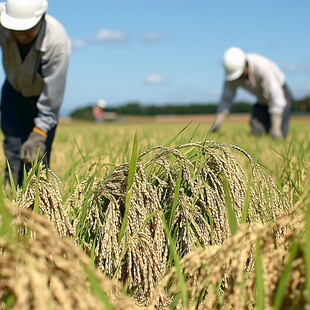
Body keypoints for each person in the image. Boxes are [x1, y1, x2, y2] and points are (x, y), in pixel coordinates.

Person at [0, 0, 71, 187]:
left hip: (43, 99)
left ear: (42, 18)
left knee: (38, 159)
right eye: (16, 29)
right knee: (13, 151)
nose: (22, 35)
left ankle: (37, 202)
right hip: (13, 92)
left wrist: (39, 132)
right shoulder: (3, 19)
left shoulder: (57, 41)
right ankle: (11, 198)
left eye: (28, 29)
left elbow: (52, 94)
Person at [211, 47, 293, 140]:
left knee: (279, 135)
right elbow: (226, 99)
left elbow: (276, 98)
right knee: (256, 132)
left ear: (245, 65)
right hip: (262, 100)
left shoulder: (262, 67)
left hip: (281, 96)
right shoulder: (231, 76)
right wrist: (217, 122)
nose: (238, 79)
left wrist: (276, 128)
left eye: (240, 75)